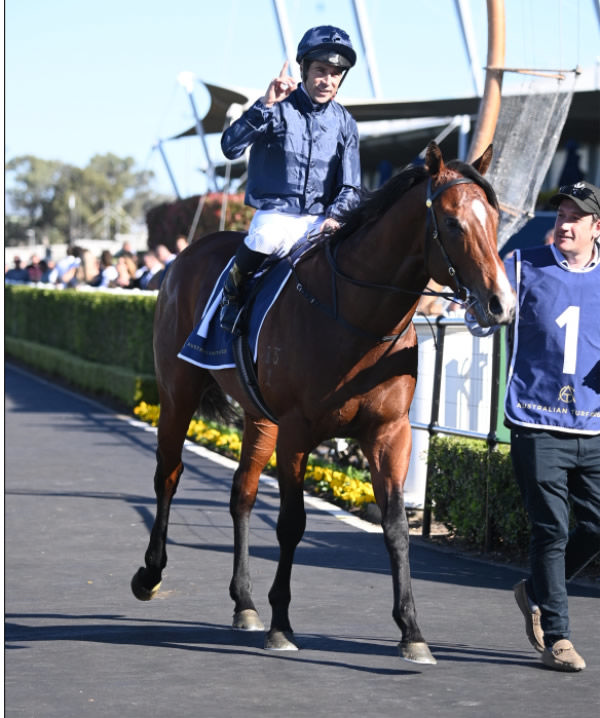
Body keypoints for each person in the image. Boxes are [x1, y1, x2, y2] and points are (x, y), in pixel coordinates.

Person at [467, 180, 600, 672]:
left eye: (575, 216)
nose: (564, 223)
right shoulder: (521, 264)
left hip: (592, 424)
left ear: (596, 228)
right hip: (536, 421)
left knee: (595, 525)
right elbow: (480, 316)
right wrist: (481, 312)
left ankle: (535, 590)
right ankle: (558, 638)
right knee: (552, 529)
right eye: (561, 213)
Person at [218, 25, 361, 332]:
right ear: (304, 70)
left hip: (321, 222)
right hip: (276, 216)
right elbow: (230, 147)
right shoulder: (275, 108)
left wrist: (335, 217)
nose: (328, 81)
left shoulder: (346, 124)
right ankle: (231, 296)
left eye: (335, 73)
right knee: (264, 238)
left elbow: (350, 186)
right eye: (321, 70)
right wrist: (264, 106)